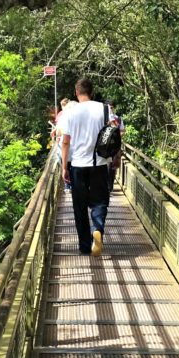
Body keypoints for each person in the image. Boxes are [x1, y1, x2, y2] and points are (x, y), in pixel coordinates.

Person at [60, 78, 117, 256]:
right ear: (92, 92)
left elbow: (65, 142)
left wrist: (64, 167)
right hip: (100, 163)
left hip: (77, 165)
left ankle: (85, 247)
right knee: (100, 201)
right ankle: (97, 228)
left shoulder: (71, 112)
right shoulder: (105, 109)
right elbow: (115, 133)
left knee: (79, 206)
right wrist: (115, 157)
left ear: (76, 92)